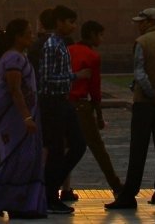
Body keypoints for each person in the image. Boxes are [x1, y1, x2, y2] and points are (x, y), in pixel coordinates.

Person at [105, 7, 155, 211]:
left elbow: (140, 74)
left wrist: (154, 96)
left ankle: (129, 195)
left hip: (145, 104)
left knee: (138, 150)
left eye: (141, 22)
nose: (138, 25)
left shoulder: (142, 42)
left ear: (150, 22)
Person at [0, 18, 47, 219]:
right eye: (28, 33)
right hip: (14, 116)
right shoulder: (13, 59)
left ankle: (22, 204)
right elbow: (14, 89)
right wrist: (26, 116)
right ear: (18, 37)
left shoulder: (18, 56)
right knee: (17, 158)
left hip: (21, 115)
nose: (32, 36)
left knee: (27, 158)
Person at [37, 5, 89, 214]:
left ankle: (50, 189)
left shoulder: (60, 44)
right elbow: (46, 78)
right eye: (70, 22)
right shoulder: (52, 45)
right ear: (59, 22)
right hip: (52, 102)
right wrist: (76, 76)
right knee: (57, 151)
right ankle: (51, 196)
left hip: (62, 101)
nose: (73, 26)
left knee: (78, 145)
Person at [66, 20, 122, 197]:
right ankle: (116, 186)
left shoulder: (68, 51)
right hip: (82, 106)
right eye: (100, 35)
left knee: (64, 148)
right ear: (91, 34)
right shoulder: (92, 56)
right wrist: (98, 115)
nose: (102, 39)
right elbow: (95, 89)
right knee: (97, 147)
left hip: (65, 104)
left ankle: (55, 187)